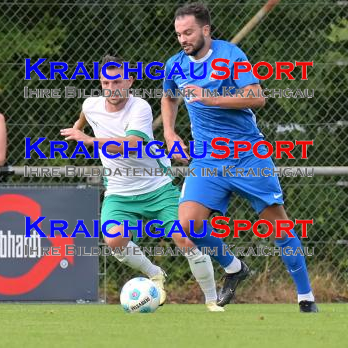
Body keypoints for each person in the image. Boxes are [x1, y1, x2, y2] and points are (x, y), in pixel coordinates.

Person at [161, 3, 318, 312]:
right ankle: (234, 268)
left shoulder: (230, 55)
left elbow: (257, 97)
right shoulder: (175, 65)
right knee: (188, 225)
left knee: (280, 228)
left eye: (188, 32)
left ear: (206, 30)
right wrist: (169, 133)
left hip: (247, 156)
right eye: (179, 34)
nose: (183, 39)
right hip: (207, 160)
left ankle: (306, 297)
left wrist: (212, 98)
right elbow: (169, 97)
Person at [61, 55, 244, 312]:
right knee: (114, 239)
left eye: (118, 81)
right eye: (106, 82)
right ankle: (155, 273)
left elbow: (132, 145)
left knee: (185, 238)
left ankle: (212, 300)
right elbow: (85, 113)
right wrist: (76, 127)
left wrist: (89, 140)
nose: (112, 88)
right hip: (119, 192)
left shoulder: (140, 107)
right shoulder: (92, 104)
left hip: (157, 188)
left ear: (130, 82)